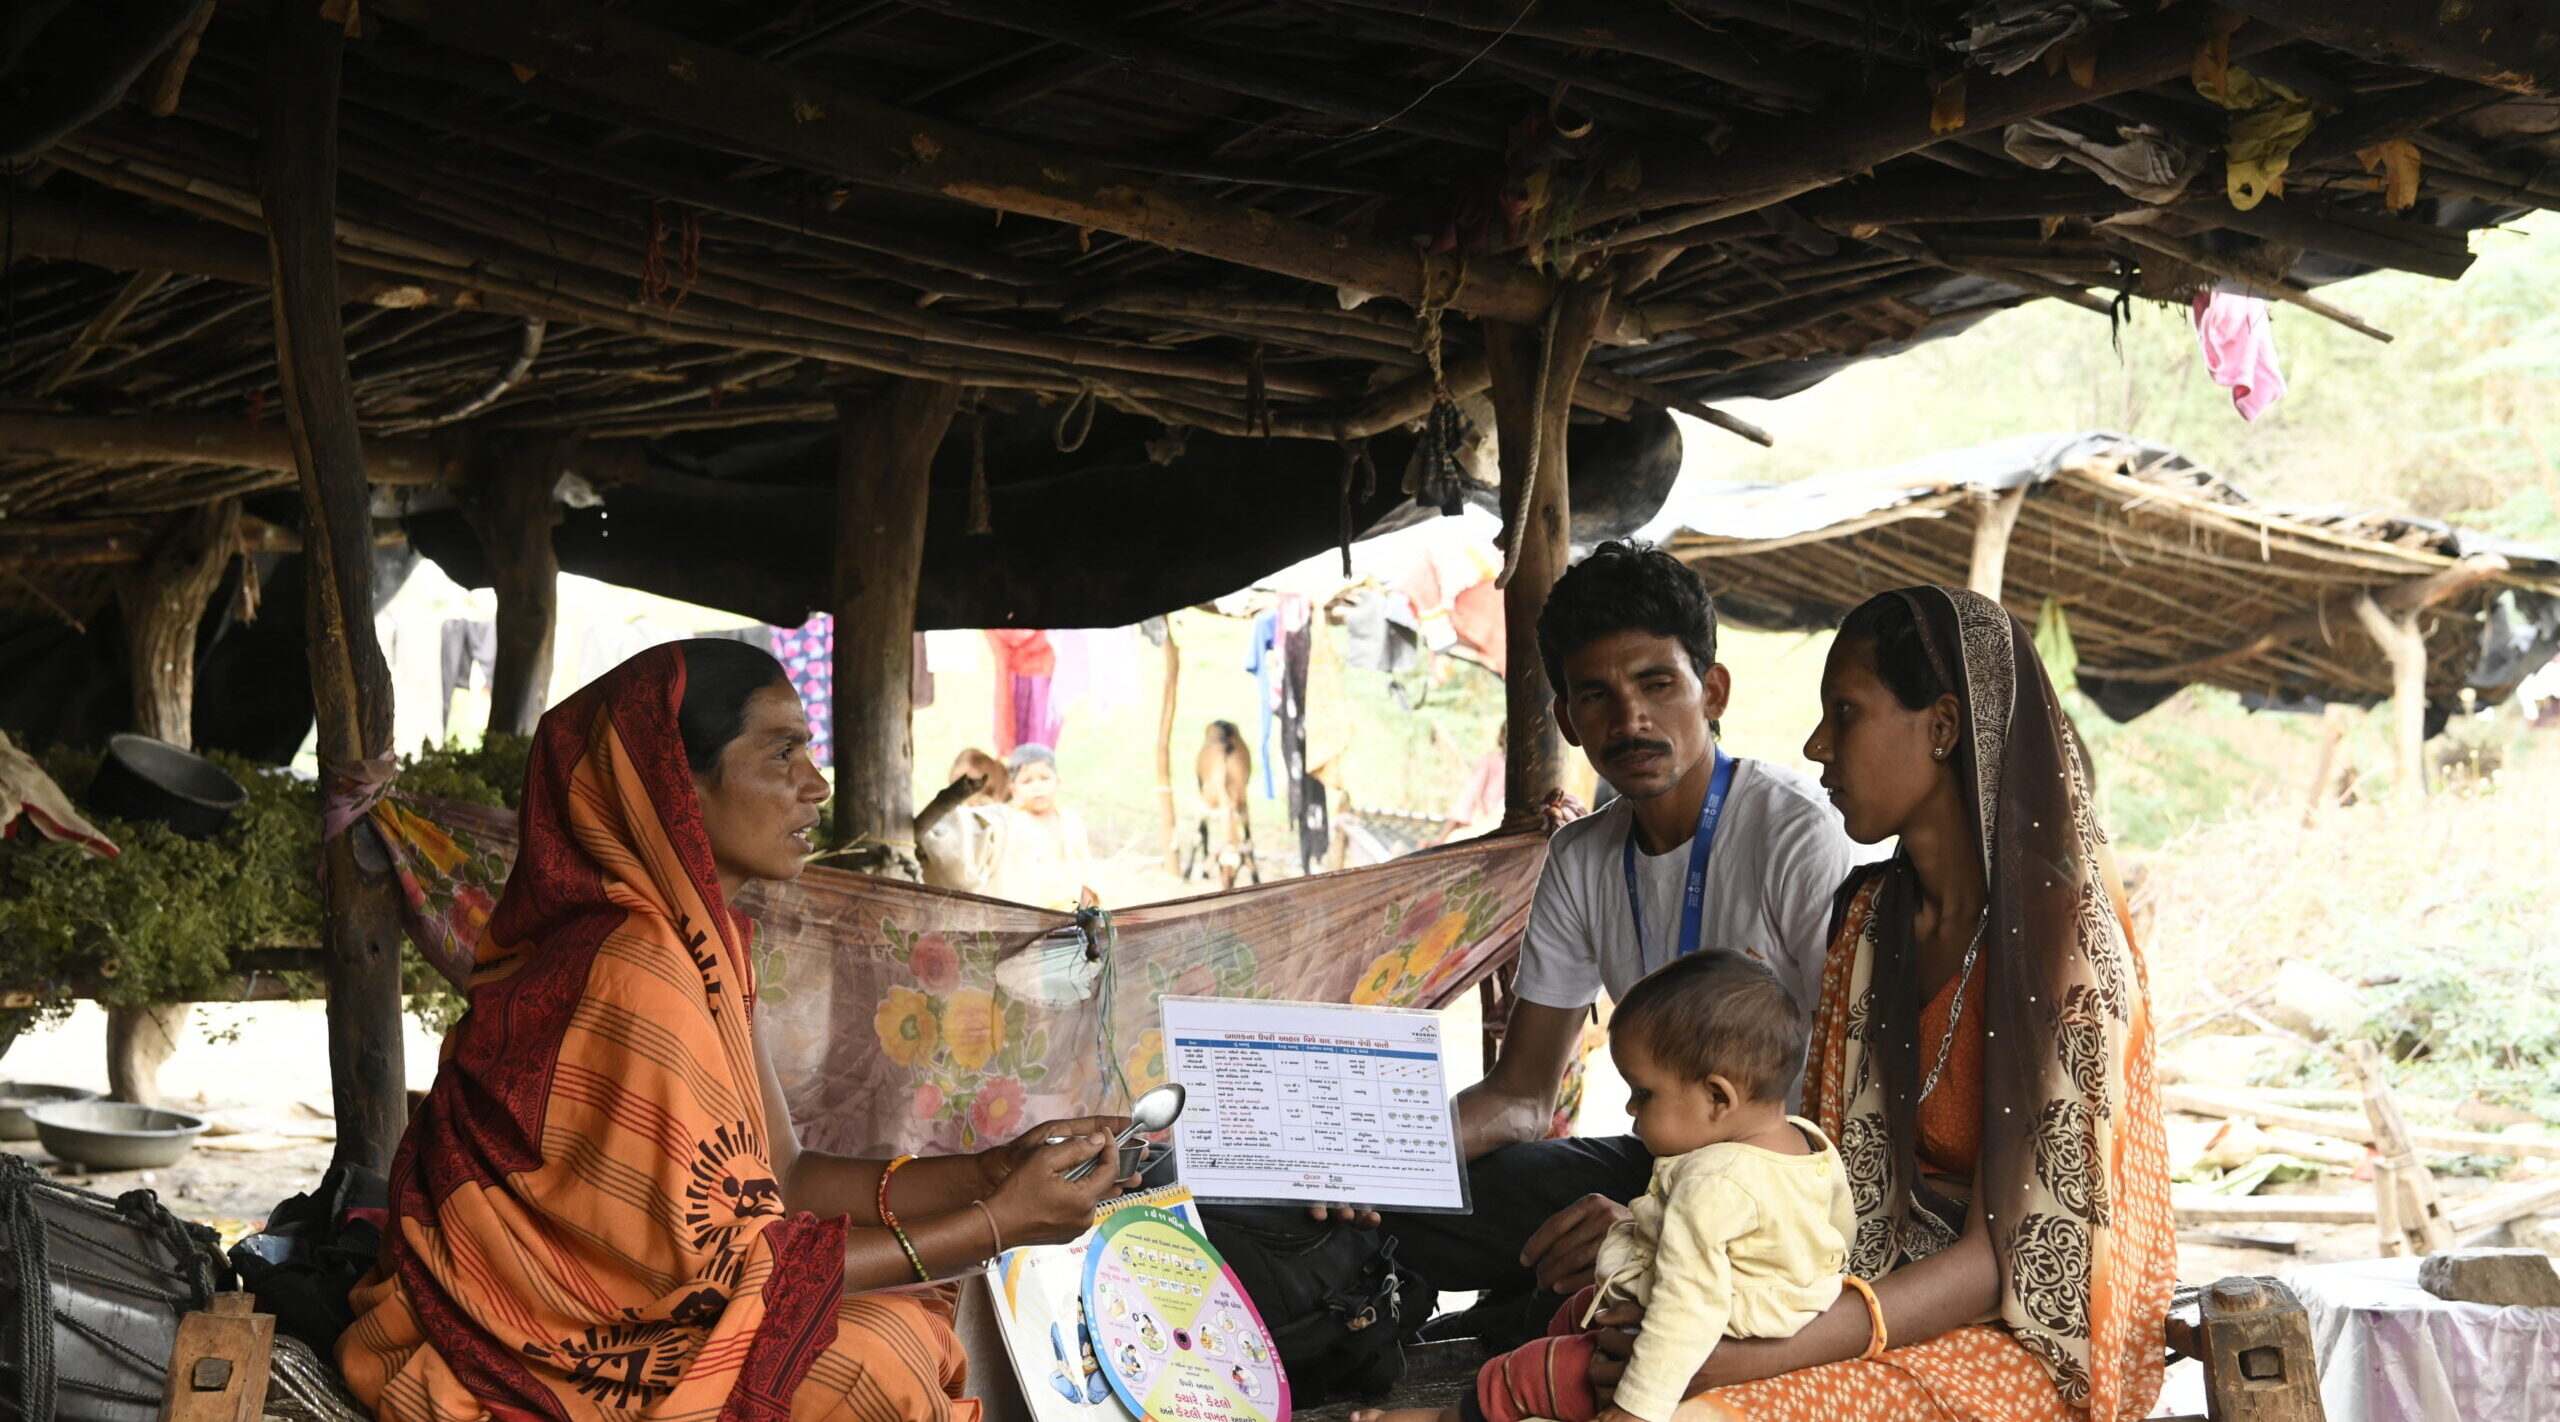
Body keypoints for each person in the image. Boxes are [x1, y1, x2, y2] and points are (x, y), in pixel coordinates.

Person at [339, 641, 1138, 1422]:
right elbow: (731, 1269)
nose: (816, 785)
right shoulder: (635, 968)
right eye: (781, 754)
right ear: (673, 782)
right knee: (877, 1364)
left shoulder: (703, 947)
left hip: (637, 1313)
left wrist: (991, 1172)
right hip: (544, 1341)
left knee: (900, 1331)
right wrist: (995, 1225)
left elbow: (787, 1177)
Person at [1578, 586, 2174, 1420]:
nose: (1816, 745)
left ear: (1942, 726)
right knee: (1598, 1353)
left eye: (1845, 712)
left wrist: (1748, 1358)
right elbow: (1818, 1185)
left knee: (1688, 1410)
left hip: (2019, 1341)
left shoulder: (2062, 944)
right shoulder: (1868, 919)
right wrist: (1671, 1244)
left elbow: (2008, 1262)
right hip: (1861, 1291)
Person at [1376, 542, 1865, 1345]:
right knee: (1402, 1207)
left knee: (1552, 1314)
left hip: (1785, 1189)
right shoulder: (1581, 857)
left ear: (1713, 691)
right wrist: (1380, 1163)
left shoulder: (1793, 834)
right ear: (1567, 720)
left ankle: (1522, 1319)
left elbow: (1852, 1109)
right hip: (1659, 1167)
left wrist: (1659, 1225)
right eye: (1596, 695)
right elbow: (1522, 1096)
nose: (1629, 719)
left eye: (1657, 684)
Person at [1358, 953, 1851, 1422]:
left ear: (1718, 1097)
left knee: (1527, 1372)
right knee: (1576, 1309)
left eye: (1644, 1093)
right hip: (1781, 1322)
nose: (1630, 1109)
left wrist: (1637, 1407)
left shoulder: (1709, 1186)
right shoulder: (1810, 1145)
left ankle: (1449, 1415)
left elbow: (1686, 1303)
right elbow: (1838, 1239)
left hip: (1693, 1342)